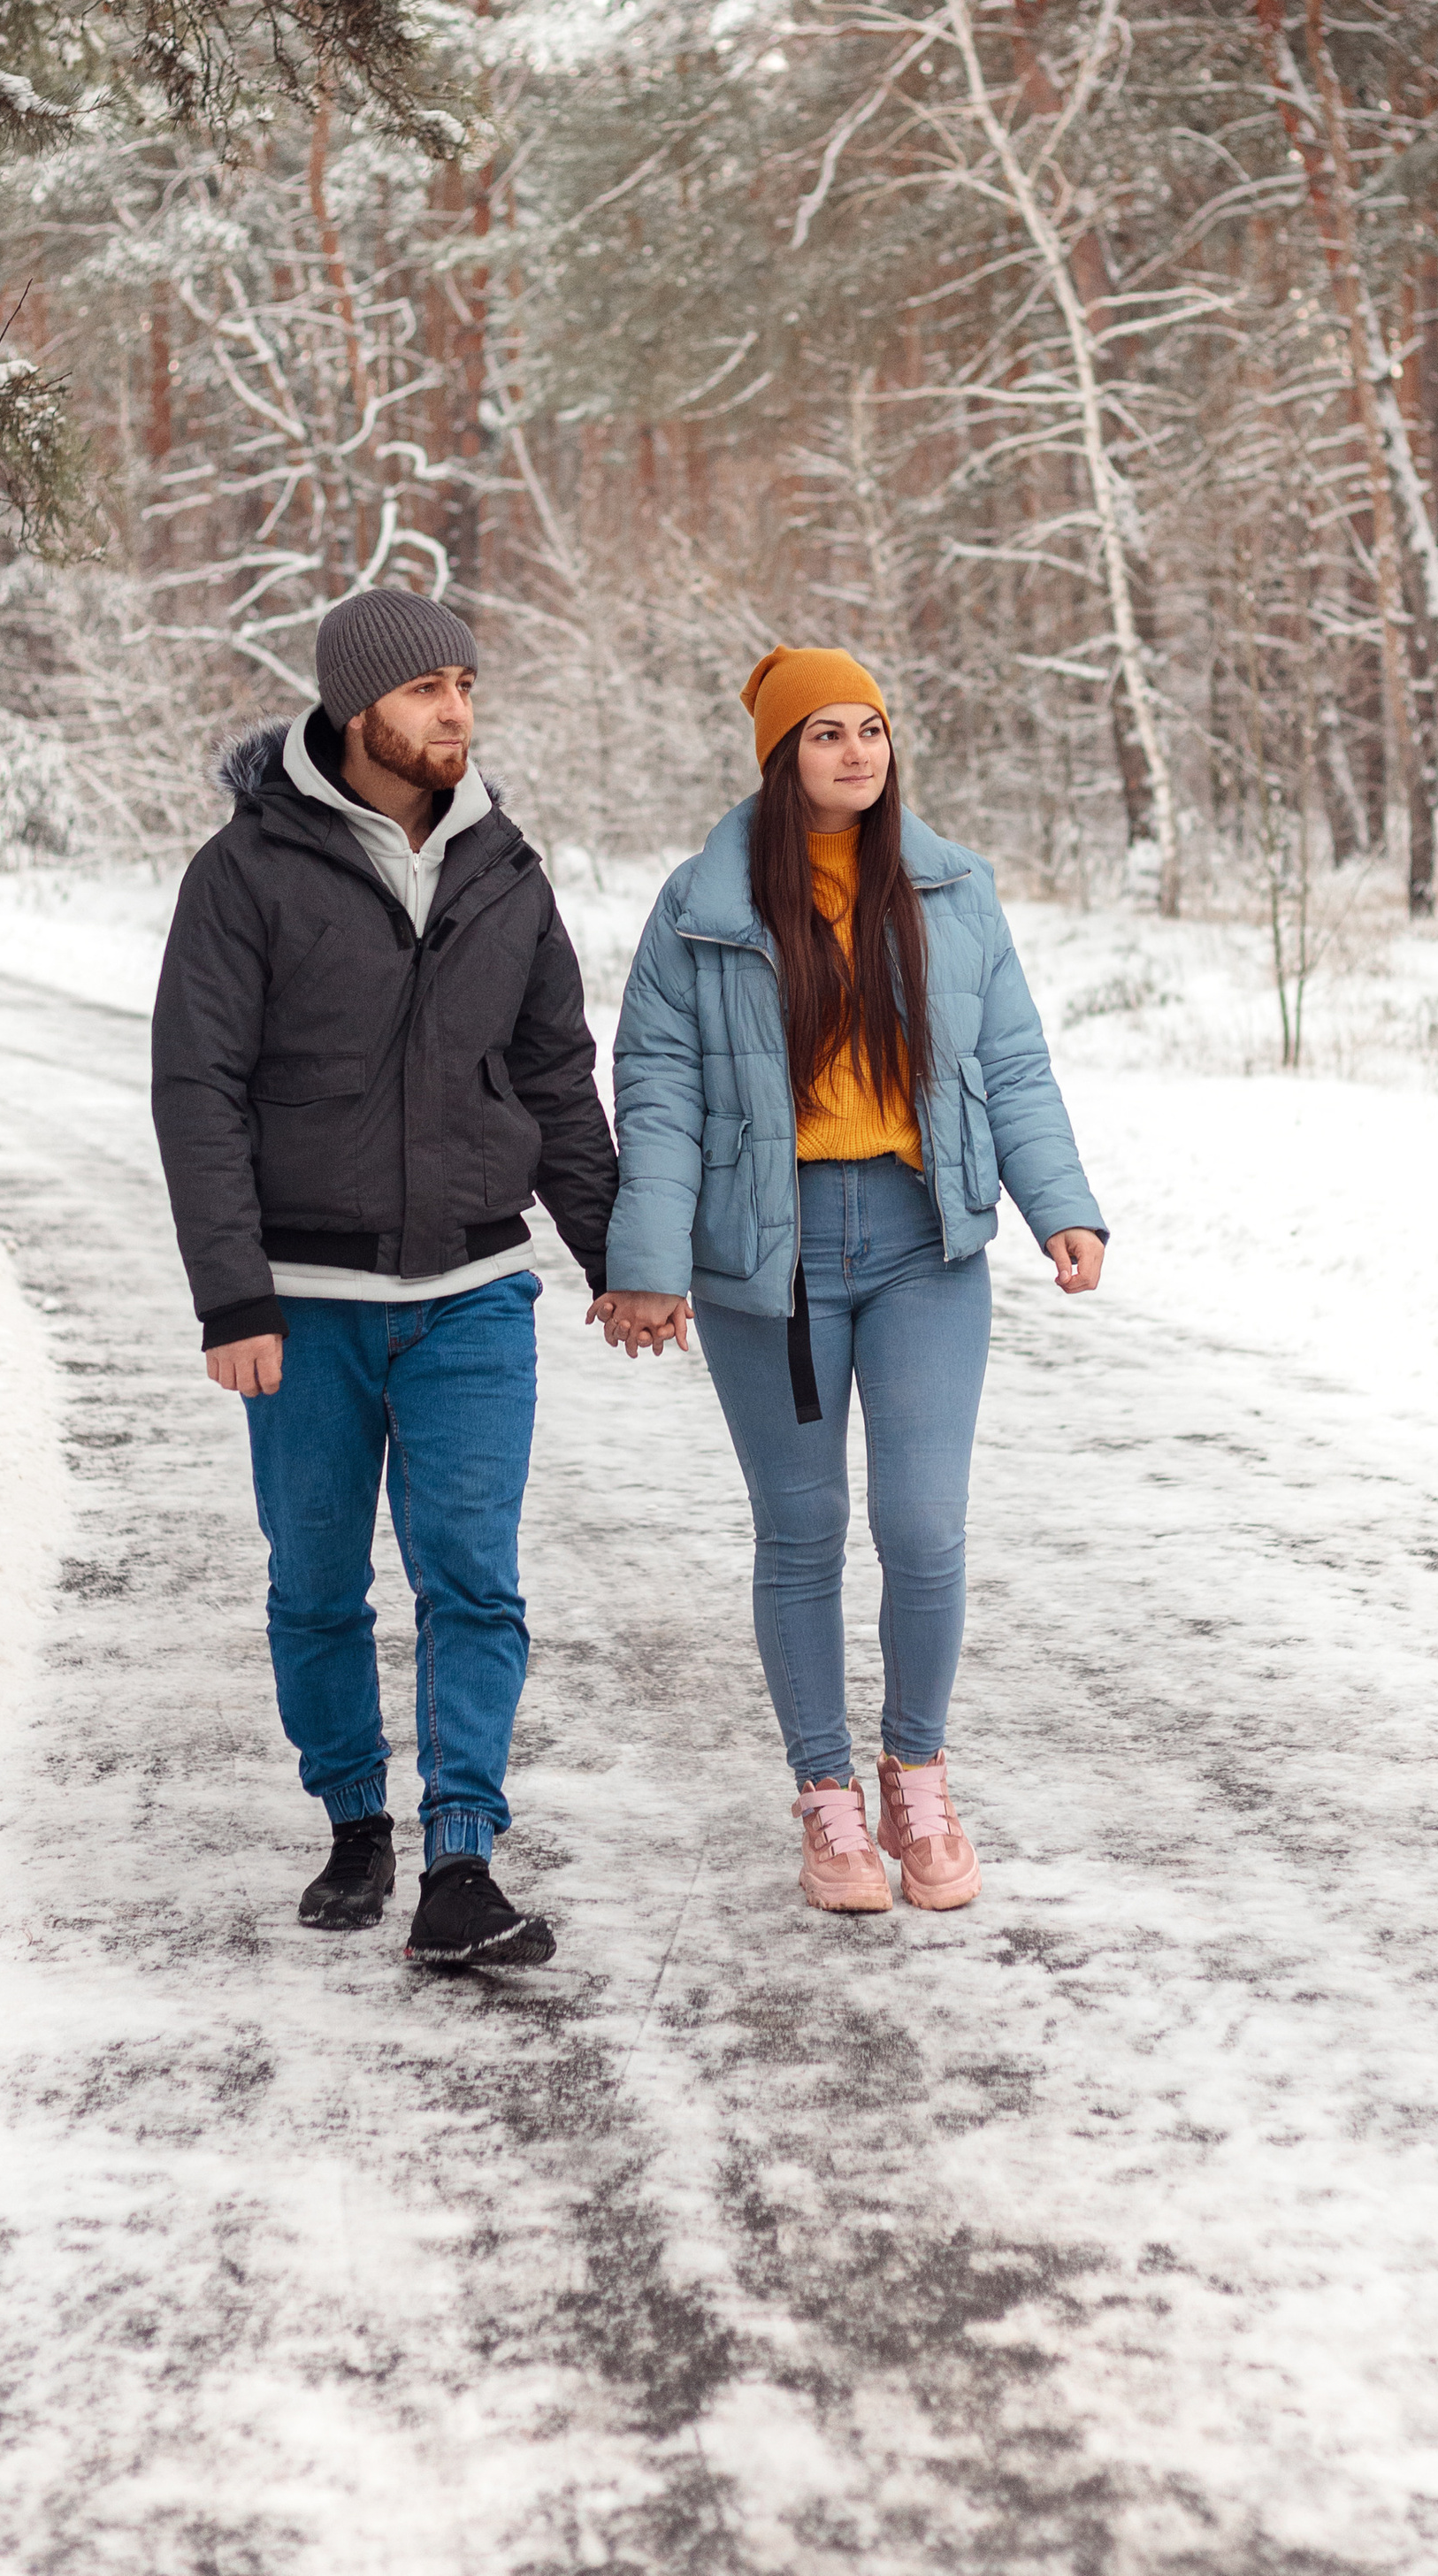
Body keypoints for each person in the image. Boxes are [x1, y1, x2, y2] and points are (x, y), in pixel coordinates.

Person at [150, 586, 616, 1970]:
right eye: (427, 691)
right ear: (361, 713)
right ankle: (356, 1820)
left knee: (472, 1579)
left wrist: (618, 1255)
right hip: (304, 1300)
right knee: (314, 1581)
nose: (457, 712)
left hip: (476, 1287)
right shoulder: (244, 874)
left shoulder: (505, 867)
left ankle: (461, 1858)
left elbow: (553, 1076)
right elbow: (199, 1089)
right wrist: (233, 1299)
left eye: (467, 684)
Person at [597, 647, 1105, 1915]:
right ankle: (825, 1798)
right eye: (825, 734)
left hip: (924, 1242)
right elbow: (658, 1096)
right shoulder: (700, 909)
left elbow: (1018, 1066)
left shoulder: (952, 889)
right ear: (781, 756)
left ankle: (916, 1776)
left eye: (870, 728)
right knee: (803, 1528)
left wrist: (1062, 1208)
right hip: (767, 1264)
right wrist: (650, 1264)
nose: (856, 753)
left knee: (924, 1528)